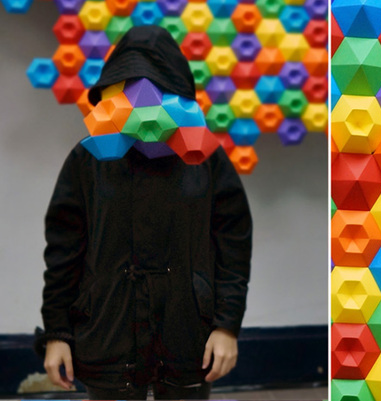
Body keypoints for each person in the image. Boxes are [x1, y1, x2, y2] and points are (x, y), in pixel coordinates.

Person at [36, 26, 253, 400]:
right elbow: (63, 248)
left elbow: (233, 244)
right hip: (109, 335)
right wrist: (57, 333)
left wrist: (227, 326)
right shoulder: (89, 158)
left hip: (187, 338)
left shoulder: (205, 158)